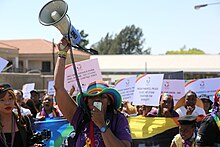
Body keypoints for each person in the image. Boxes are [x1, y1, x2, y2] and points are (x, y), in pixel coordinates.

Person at [54, 37, 132, 147]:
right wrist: (62, 54)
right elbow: (59, 88)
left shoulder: (118, 119)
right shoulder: (80, 117)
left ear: (109, 101)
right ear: (86, 101)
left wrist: (102, 125)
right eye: (92, 97)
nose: (97, 99)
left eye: (102, 96)